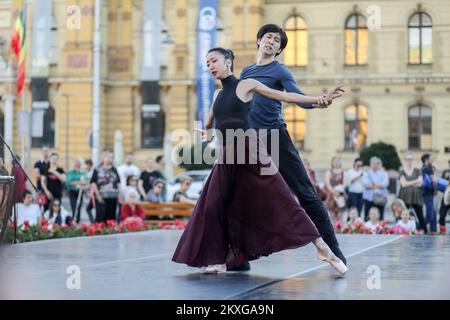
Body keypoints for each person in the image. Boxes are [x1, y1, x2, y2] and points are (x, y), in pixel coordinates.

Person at [172, 47, 347, 275]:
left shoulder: (246, 85)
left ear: (228, 62)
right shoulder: (216, 95)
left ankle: (323, 248)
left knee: (281, 199)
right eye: (207, 63)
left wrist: (319, 99)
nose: (210, 66)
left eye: (214, 61)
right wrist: (205, 134)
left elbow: (285, 96)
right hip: (227, 155)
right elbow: (210, 126)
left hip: (250, 150)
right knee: (213, 204)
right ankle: (220, 258)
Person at [239, 24, 347, 267]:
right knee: (241, 198)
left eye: (277, 41)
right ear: (258, 40)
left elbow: (296, 97)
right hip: (251, 143)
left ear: (278, 50)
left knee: (307, 195)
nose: (271, 42)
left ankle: (335, 251)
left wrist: (320, 100)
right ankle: (239, 257)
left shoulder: (280, 72)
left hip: (276, 139)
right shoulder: (246, 72)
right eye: (268, 37)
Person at [398, 153, 426, 232]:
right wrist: (415, 181)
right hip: (405, 196)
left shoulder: (417, 170)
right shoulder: (402, 171)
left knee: (420, 215)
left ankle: (424, 231)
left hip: (416, 196)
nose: (409, 161)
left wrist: (408, 182)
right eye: (407, 159)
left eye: (410, 159)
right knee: (402, 214)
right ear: (405, 160)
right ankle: (400, 229)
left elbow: (420, 183)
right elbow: (403, 184)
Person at [90, 151, 121, 223]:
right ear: (103, 158)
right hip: (101, 196)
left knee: (111, 216)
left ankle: (110, 231)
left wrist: (119, 194)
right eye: (107, 156)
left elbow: (118, 182)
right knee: (101, 215)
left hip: (113, 196)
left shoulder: (114, 169)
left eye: (111, 157)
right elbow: (93, 183)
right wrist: (98, 195)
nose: (109, 158)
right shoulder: (97, 169)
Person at [362, 157, 389, 221]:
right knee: (367, 217)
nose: (375, 165)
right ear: (370, 164)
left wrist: (373, 184)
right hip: (368, 198)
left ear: (379, 164)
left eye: (376, 163)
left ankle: (380, 230)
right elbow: (366, 185)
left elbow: (384, 185)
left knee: (380, 217)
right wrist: (378, 185)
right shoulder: (366, 173)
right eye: (373, 163)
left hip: (380, 199)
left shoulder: (384, 174)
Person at [66, 158, 88, 223]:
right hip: (72, 192)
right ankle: (73, 221)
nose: (77, 164)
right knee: (74, 207)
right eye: (76, 162)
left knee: (79, 207)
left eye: (78, 162)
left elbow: (85, 182)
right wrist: (80, 182)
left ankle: (77, 221)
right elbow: (69, 182)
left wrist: (77, 182)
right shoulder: (70, 172)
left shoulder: (83, 172)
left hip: (80, 192)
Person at [324, 156, 345, 224]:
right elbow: (328, 184)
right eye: (335, 161)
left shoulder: (343, 172)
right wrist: (334, 192)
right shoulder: (329, 172)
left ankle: (340, 229)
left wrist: (340, 191)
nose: (336, 163)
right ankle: (333, 230)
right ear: (332, 163)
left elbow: (345, 184)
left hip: (340, 195)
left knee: (340, 214)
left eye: (338, 161)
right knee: (332, 214)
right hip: (331, 195)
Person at [421, 153, 437, 233]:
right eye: (431, 159)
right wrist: (436, 189)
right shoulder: (429, 169)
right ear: (426, 160)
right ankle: (419, 227)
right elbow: (433, 180)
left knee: (433, 213)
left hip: (424, 192)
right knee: (430, 214)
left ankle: (433, 230)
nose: (432, 160)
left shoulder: (422, 168)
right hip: (429, 193)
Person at [439, 159, 450, 234]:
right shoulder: (445, 172)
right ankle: (442, 231)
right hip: (446, 195)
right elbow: (441, 182)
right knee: (442, 214)